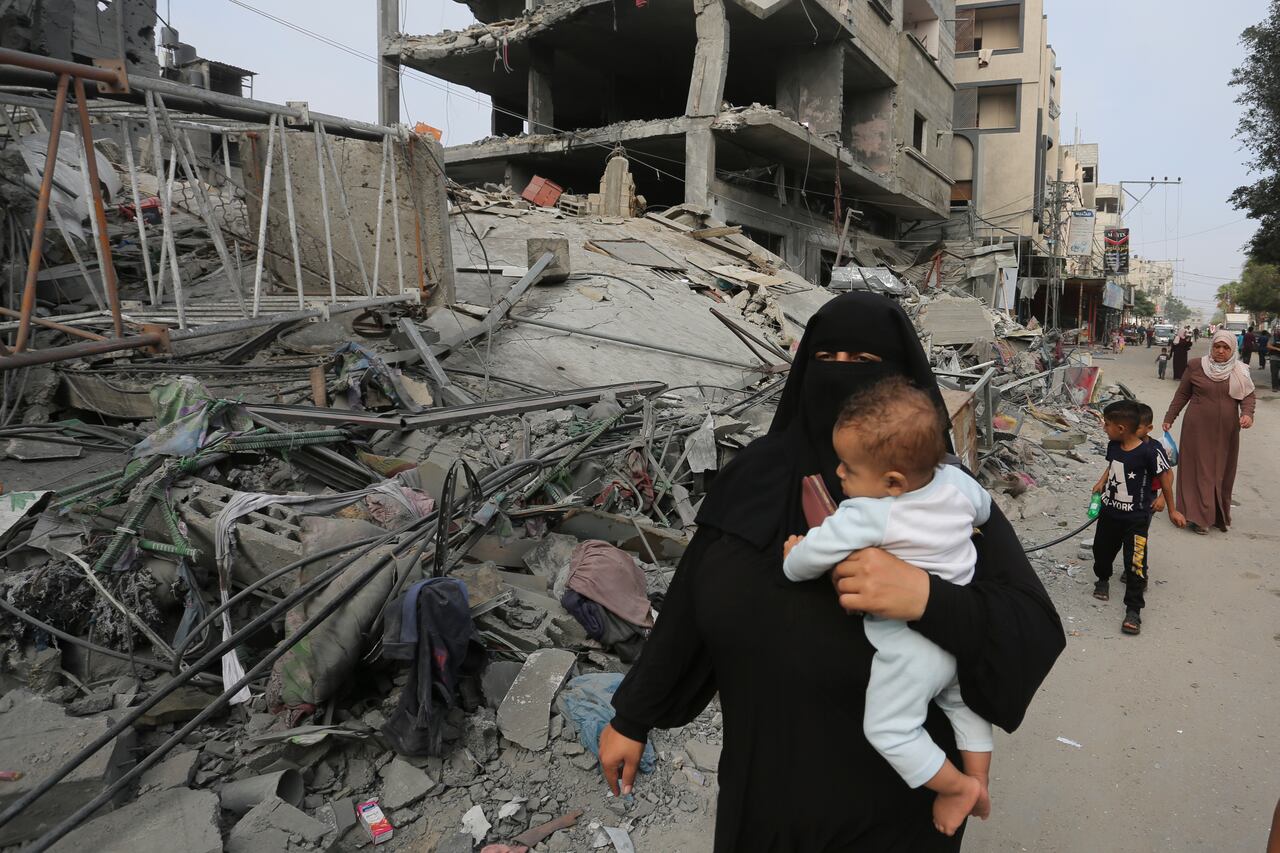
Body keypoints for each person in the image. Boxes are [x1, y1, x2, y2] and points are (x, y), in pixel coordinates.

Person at [598, 293, 1065, 853]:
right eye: (826, 358)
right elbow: (688, 606)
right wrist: (632, 716)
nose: (839, 377)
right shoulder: (755, 476)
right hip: (764, 785)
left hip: (893, 801)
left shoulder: (934, 493)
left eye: (864, 365)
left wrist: (927, 598)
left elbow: (1031, 624)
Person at [781, 377, 994, 837]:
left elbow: (806, 564)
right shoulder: (957, 481)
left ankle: (955, 788)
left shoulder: (868, 513)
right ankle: (979, 780)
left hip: (911, 646)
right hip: (957, 630)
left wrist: (791, 554)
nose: (838, 474)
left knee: (890, 729)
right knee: (965, 705)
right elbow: (984, 512)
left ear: (892, 482)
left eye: (849, 469)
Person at [1091, 401, 1184, 635]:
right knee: (1101, 551)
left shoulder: (1150, 452)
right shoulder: (1114, 445)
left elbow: (1165, 479)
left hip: (1136, 518)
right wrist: (1101, 482)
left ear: (1122, 428)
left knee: (1135, 564)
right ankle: (1102, 578)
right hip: (1109, 514)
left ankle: (1133, 611)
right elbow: (1113, 465)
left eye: (1108, 424)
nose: (1105, 428)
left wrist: (1171, 508)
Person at [1162, 330, 1257, 534]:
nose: (1220, 351)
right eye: (1217, 346)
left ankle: (1214, 514)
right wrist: (1170, 418)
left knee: (1221, 470)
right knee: (1200, 469)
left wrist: (1248, 414)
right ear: (1211, 346)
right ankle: (1199, 517)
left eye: (1225, 347)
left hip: (1227, 430)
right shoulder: (1197, 366)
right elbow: (1182, 394)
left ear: (1233, 350)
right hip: (1196, 428)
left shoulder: (1240, 370)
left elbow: (1248, 397)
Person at [1270, 327, 1280, 391]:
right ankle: (1275, 387)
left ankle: (1278, 385)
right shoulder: (1274, 337)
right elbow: (1268, 345)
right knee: (1274, 373)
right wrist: (1277, 349)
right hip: (1274, 358)